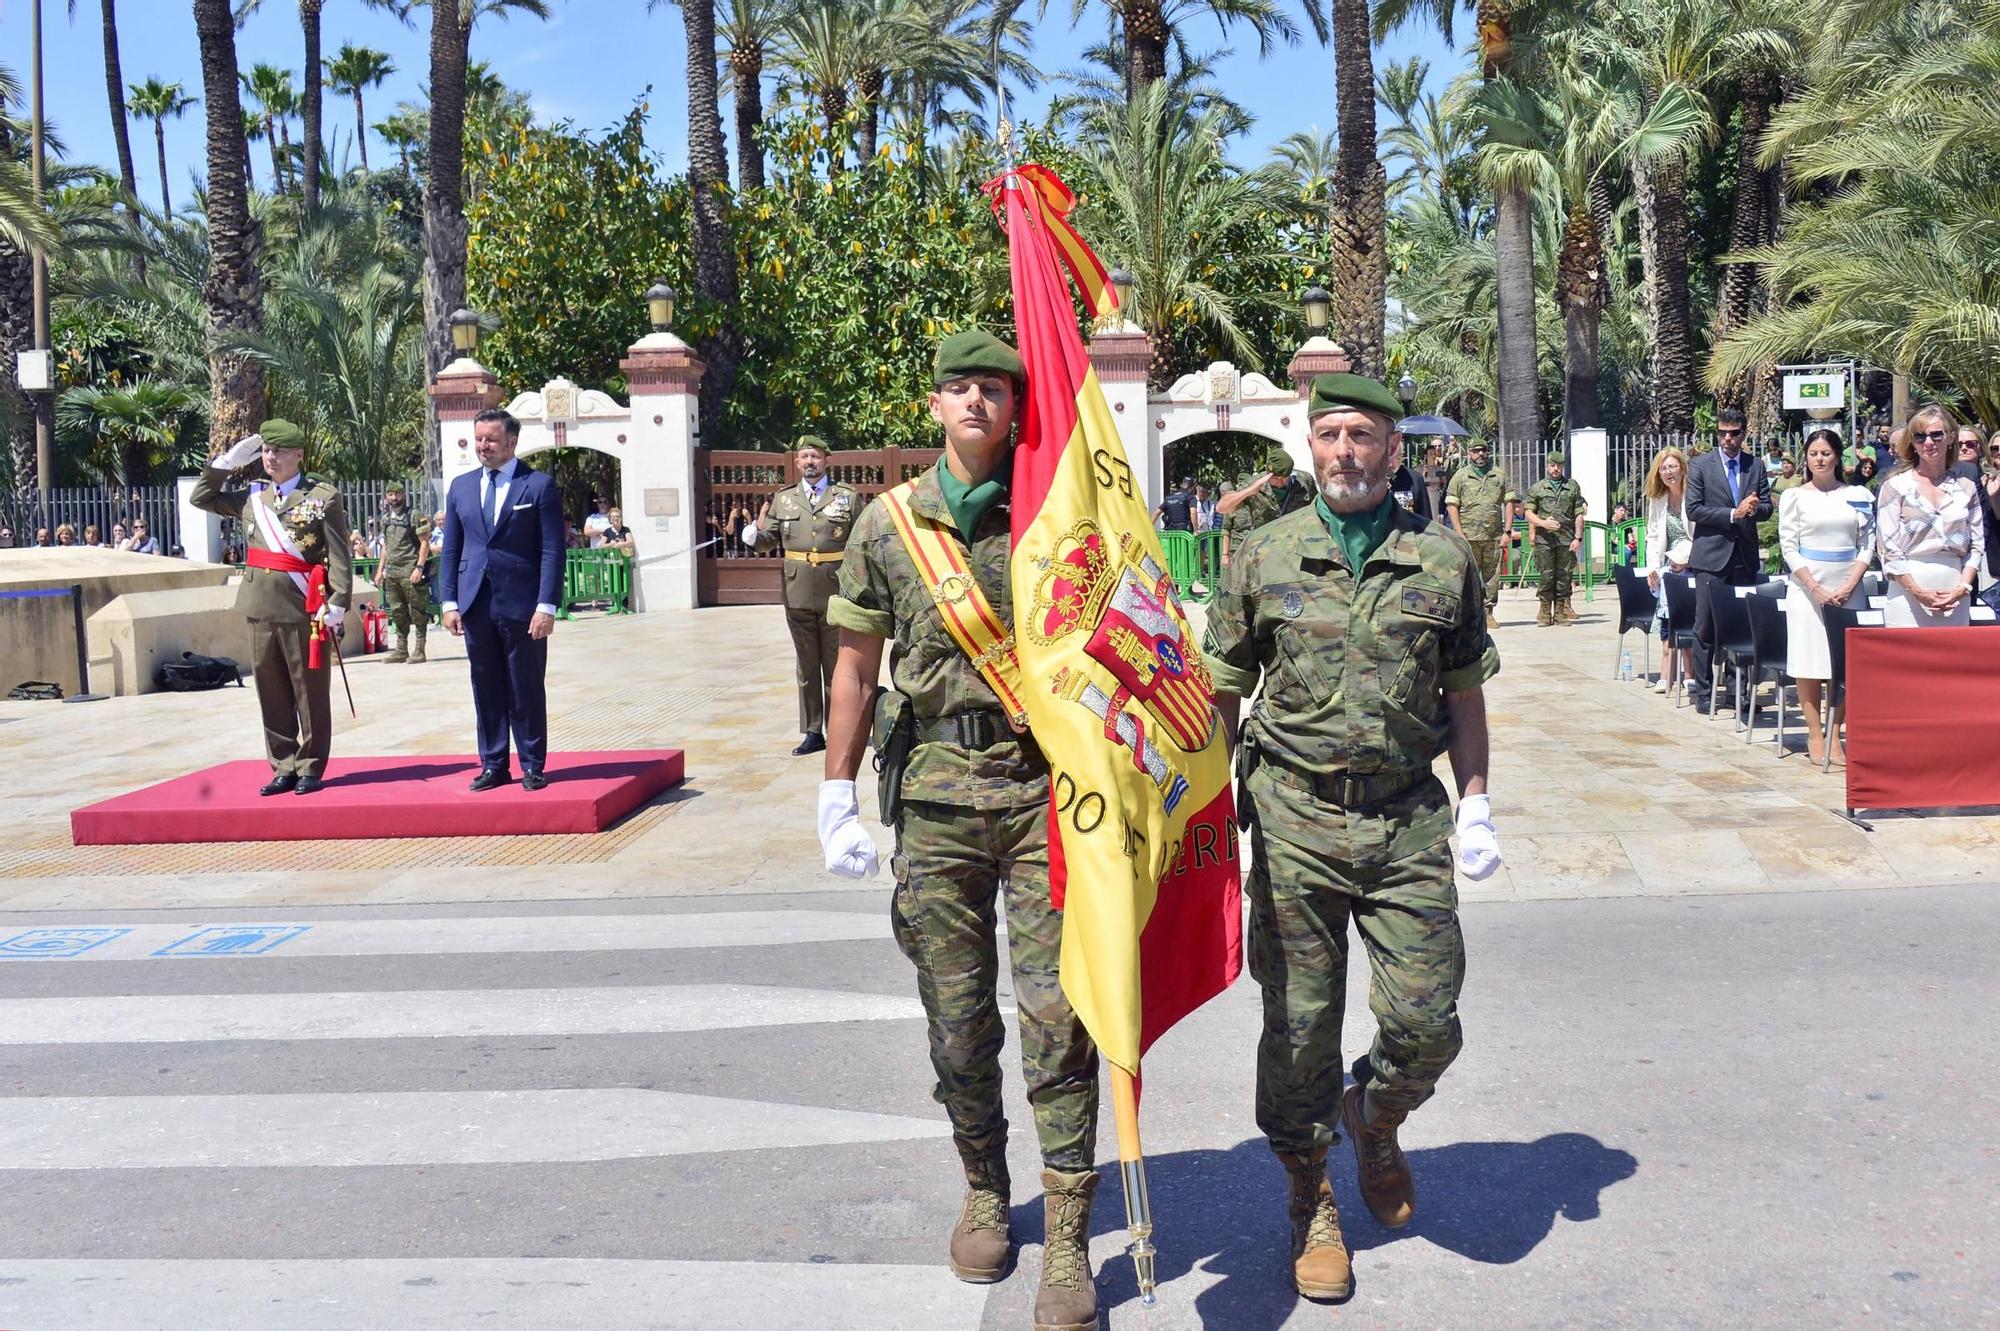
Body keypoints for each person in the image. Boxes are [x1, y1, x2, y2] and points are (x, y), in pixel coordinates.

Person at [819, 330, 1102, 1331]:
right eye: (958, 387)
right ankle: (986, 1183)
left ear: (1016, 407)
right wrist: (832, 790)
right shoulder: (888, 525)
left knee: (1057, 1017)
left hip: (1041, 791)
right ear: (932, 405)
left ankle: (1067, 1227)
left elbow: (1117, 640)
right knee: (956, 1017)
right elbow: (854, 666)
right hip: (934, 794)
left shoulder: (1058, 516)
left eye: (993, 386)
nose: (975, 400)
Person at [1202, 372, 1500, 1304]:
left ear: (1394, 449)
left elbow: (1464, 697)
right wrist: (1203, 812)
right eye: (1329, 434)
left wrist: (1479, 801)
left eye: (1362, 435)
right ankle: (1309, 1198)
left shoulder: (1443, 561)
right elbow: (1219, 692)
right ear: (1310, 444)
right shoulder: (1261, 555)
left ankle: (1373, 1115)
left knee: (1427, 1022)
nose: (1344, 451)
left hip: (1407, 814)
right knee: (1298, 1029)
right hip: (1292, 814)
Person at [190, 420, 354, 796]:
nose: (271, 457)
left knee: (309, 690)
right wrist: (225, 463)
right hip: (259, 606)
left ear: (299, 455)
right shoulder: (253, 498)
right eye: (266, 450)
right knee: (271, 689)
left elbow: (338, 554)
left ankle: (311, 764)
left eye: (279, 451)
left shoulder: (322, 497)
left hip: (303, 607)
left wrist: (338, 602)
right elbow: (201, 497)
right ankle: (284, 763)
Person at [440, 408, 566, 792]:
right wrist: (448, 602)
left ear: (511, 442)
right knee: (486, 685)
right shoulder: (461, 487)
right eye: (479, 439)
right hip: (475, 603)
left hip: (523, 606)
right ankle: (493, 763)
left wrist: (546, 604)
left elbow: (551, 549)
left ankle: (532, 764)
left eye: (491, 440)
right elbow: (452, 549)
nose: (483, 446)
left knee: (525, 686)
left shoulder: (538, 486)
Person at [748, 436, 858, 756]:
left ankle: (839, 725)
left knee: (837, 663)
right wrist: (753, 534)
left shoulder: (846, 498)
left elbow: (862, 541)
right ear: (797, 463)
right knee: (807, 663)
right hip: (796, 592)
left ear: (827, 461)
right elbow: (767, 540)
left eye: (816, 456)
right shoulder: (783, 500)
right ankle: (813, 730)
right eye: (804, 456)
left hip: (836, 589)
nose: (810, 461)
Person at [1779, 430, 1874, 763]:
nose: (1819, 459)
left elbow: (1867, 543)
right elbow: (1789, 546)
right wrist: (1815, 588)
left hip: (1848, 585)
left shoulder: (1857, 494)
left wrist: (1850, 584)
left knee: (1841, 664)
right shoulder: (1795, 497)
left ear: (1838, 457)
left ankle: (1835, 732)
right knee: (1810, 661)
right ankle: (1815, 732)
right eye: (1813, 453)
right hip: (1808, 590)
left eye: (1826, 453)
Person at [1685, 408, 1771, 714]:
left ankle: (1740, 695)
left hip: (1743, 556)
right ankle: (1704, 693)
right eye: (1723, 432)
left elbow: (1766, 509)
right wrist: (1733, 514)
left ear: (1744, 434)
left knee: (1744, 627)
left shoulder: (1755, 465)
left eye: (1734, 433)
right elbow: (1694, 509)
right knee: (1706, 627)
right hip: (1711, 557)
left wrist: (1752, 509)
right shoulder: (1700, 466)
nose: (1728, 439)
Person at [1876, 403, 1986, 628]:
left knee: (1953, 663)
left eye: (1936, 435)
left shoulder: (1966, 487)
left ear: (1950, 437)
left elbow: (1977, 545)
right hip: (1907, 596)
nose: (1928, 443)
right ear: (1912, 443)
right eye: (1920, 437)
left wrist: (1963, 588)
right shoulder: (1895, 486)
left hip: (1954, 595)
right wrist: (1917, 591)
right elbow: (1887, 548)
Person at [1443, 437, 1516, 631]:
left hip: (1493, 536)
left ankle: (1488, 612)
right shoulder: (1460, 476)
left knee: (1492, 577)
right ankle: (1470, 615)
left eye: (1483, 450)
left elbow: (1509, 503)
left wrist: (1507, 531)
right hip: (1469, 536)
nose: (1480, 454)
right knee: (1468, 576)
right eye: (1476, 451)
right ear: (1469, 454)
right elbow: (1452, 505)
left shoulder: (1499, 475)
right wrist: (1459, 532)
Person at [1642, 446, 1693, 694]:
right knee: (1667, 616)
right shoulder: (1658, 499)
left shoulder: (1693, 494)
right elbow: (1653, 535)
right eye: (1664, 468)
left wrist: (1686, 560)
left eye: (1673, 466)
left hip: (1694, 562)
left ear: (1682, 469)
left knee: (1689, 618)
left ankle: (1690, 673)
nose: (1668, 472)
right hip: (1668, 565)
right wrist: (1652, 567)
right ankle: (1666, 673)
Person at [1522, 450, 1586, 625]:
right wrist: (1542, 524)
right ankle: (1544, 612)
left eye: (1558, 466)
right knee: (1546, 576)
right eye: (1552, 465)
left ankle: (1559, 612)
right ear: (1547, 466)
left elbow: (1579, 513)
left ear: (1562, 466)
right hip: (1545, 540)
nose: (1556, 469)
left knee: (1564, 576)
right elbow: (1529, 513)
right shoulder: (1537, 488)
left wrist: (1578, 537)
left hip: (1566, 539)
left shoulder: (1572, 486)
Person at [1219, 445, 1313, 559]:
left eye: (1284, 478)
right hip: (1264, 554)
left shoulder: (1304, 481)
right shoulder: (1255, 483)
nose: (1280, 483)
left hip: (1295, 551)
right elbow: (1222, 508)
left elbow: (1318, 508)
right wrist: (1250, 491)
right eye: (1275, 478)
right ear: (1267, 472)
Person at [376, 482, 433, 664]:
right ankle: (401, 649)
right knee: (397, 611)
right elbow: (386, 546)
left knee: (417, 610)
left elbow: (425, 542)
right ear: (386, 497)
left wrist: (419, 567)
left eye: (397, 494)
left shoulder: (414, 515)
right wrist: (380, 571)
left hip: (410, 569)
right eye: (390, 494)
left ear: (404, 495)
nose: (394, 498)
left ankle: (419, 650)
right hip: (392, 572)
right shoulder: (385, 519)